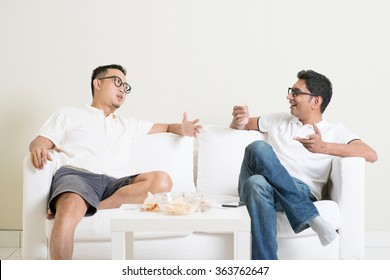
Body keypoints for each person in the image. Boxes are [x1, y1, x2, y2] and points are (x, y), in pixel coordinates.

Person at [29, 64, 201, 259]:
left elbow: (168, 126)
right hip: (77, 177)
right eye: (117, 82)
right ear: (97, 83)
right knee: (68, 208)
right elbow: (41, 141)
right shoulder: (68, 114)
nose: (122, 89)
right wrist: (37, 147)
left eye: (126, 87)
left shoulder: (127, 123)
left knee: (162, 181)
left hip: (113, 184)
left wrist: (184, 129)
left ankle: (91, 206)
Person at [230, 70, 377, 260]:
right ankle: (310, 215)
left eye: (296, 92)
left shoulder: (335, 131)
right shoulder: (279, 119)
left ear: (316, 101)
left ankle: (265, 269)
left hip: (299, 190)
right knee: (257, 147)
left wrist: (323, 147)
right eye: (291, 91)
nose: (289, 96)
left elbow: (370, 154)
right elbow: (241, 126)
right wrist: (238, 121)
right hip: (281, 196)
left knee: (256, 182)